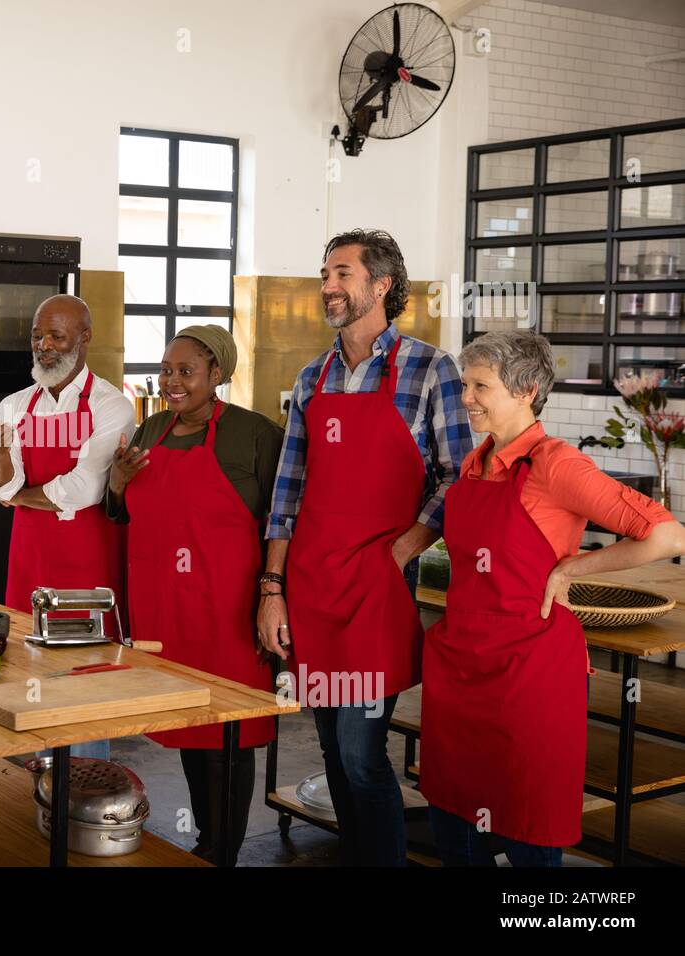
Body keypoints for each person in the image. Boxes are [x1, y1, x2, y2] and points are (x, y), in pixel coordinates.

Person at [422, 331, 685, 866]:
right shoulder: (476, 462)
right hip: (461, 665)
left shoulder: (556, 464)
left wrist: (575, 567)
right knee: (452, 820)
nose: (465, 397)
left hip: (529, 672)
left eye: (480, 386)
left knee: (528, 826)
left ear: (527, 390)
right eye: (465, 384)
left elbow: (667, 534)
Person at [257, 228, 472, 866]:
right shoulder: (311, 377)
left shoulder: (431, 369)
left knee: (359, 752)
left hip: (377, 587)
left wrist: (400, 554)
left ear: (380, 285)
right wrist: (274, 590)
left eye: (342, 274)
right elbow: (286, 492)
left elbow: (457, 481)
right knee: (330, 750)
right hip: (313, 584)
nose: (328, 286)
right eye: (325, 273)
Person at [106, 324, 283, 863]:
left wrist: (274, 594)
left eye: (185, 372)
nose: (171, 382)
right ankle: (207, 841)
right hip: (162, 608)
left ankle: (221, 848)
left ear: (218, 375)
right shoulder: (150, 429)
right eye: (166, 370)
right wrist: (116, 482)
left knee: (228, 729)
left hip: (226, 605)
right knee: (186, 723)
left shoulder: (255, 435)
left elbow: (283, 520)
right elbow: (120, 513)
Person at [0, 293, 135, 760]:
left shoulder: (111, 406)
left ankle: (86, 787)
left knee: (83, 680)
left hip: (85, 564)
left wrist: (19, 495)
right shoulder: (14, 404)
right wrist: (3, 460)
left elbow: (84, 487)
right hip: (29, 559)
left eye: (56, 336)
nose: (43, 346)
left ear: (85, 338)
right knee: (27, 669)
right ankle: (36, 786)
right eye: (37, 336)